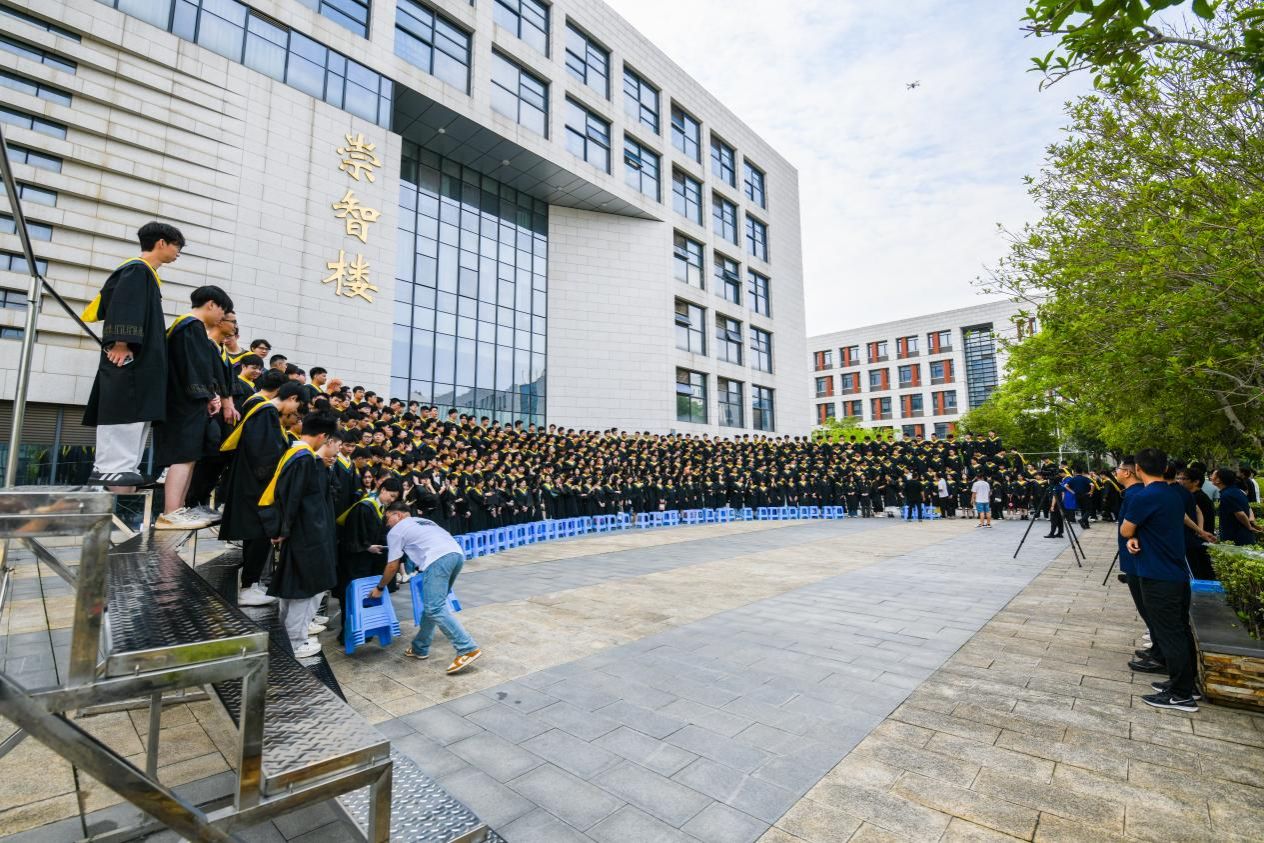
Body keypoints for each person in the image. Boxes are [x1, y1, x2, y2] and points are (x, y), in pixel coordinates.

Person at [83, 221, 184, 490]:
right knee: (124, 409)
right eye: (177, 247)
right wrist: (121, 342)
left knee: (139, 412)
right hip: (129, 358)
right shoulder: (136, 270)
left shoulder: (147, 274)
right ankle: (111, 467)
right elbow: (123, 304)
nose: (178, 253)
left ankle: (126, 466)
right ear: (161, 242)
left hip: (143, 361)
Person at [1120, 448, 1199, 712]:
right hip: (1176, 573)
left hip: (1157, 576)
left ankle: (1180, 695)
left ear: (1138, 469)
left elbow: (1126, 529)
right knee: (1180, 631)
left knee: (1169, 634)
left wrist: (1132, 536)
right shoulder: (1174, 493)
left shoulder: (1145, 496)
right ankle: (1187, 684)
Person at [260, 411, 340, 658]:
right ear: (323, 436)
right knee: (308, 589)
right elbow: (292, 499)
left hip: (302, 532)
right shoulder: (304, 459)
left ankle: (287, 637)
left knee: (295, 587)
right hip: (308, 535)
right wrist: (281, 530)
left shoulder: (297, 454)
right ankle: (295, 642)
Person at [153, 286, 233, 529]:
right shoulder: (190, 326)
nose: (221, 318)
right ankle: (170, 512)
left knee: (189, 457)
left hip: (187, 401)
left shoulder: (189, 328)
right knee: (183, 455)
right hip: (183, 403)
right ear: (211, 304)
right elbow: (193, 367)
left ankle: (178, 509)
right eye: (222, 311)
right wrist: (207, 395)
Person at [219, 374, 302, 606]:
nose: (295, 414)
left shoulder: (269, 414)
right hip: (256, 487)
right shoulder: (265, 412)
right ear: (292, 398)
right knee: (257, 535)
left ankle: (252, 583)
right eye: (297, 408)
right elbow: (263, 454)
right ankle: (248, 586)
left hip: (259, 486)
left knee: (260, 537)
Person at [376, 502, 482, 674]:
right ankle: (420, 647)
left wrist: (380, 588)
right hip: (456, 555)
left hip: (438, 559)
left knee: (434, 607)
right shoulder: (424, 521)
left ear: (398, 515)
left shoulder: (396, 530)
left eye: (388, 518)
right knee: (432, 606)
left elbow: (392, 566)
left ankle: (467, 648)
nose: (387, 523)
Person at [336, 476, 400, 644]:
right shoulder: (364, 507)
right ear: (383, 490)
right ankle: (348, 634)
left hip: (368, 562)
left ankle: (366, 630)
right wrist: (367, 546)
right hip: (354, 562)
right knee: (352, 598)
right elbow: (352, 535)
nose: (392, 500)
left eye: (395, 498)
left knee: (367, 596)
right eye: (391, 495)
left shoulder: (379, 508)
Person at [1212, 468, 1262, 546]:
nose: (1211, 477)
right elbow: (1248, 508)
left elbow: (1240, 513)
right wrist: (1252, 523)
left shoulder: (1227, 495)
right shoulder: (1237, 491)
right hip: (1242, 535)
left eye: (1213, 475)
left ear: (1218, 480)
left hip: (1236, 537)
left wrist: (1249, 526)